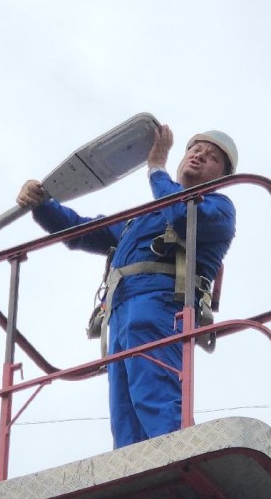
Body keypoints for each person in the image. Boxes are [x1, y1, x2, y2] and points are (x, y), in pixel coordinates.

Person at [16, 125, 238, 449]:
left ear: (223, 176)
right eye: (195, 149)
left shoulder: (218, 210)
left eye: (212, 156)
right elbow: (81, 230)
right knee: (125, 418)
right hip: (119, 318)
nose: (200, 155)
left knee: (157, 398)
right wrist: (41, 204)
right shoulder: (140, 219)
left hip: (163, 310)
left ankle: (179, 463)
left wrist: (157, 169)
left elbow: (181, 215)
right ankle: (137, 477)